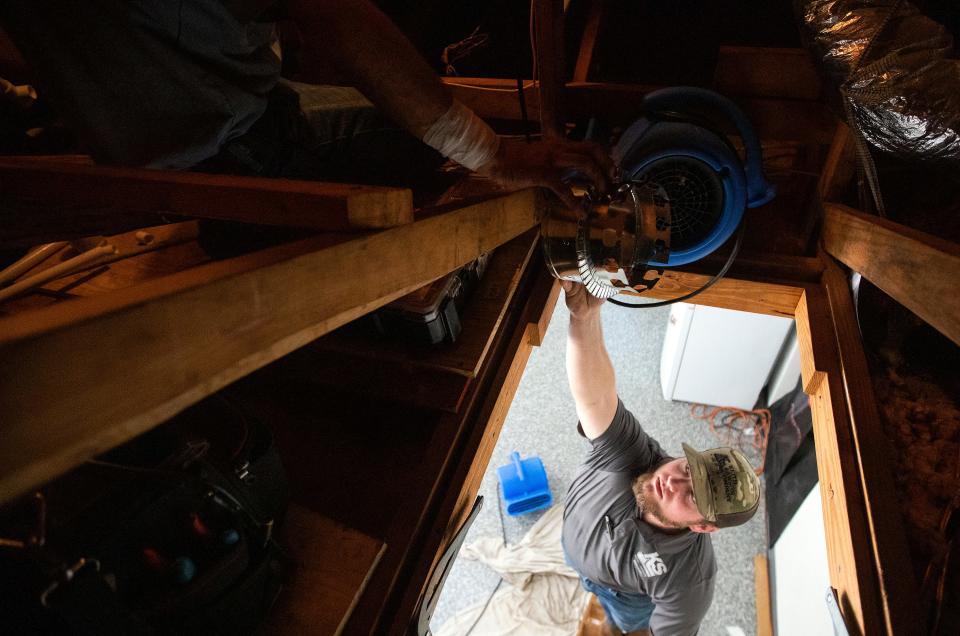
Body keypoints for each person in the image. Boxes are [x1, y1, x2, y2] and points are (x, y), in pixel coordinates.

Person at [0, 0, 611, 210]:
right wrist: (496, 156)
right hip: (233, 154)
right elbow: (339, 21)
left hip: (142, 153)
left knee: (404, 130)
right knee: (421, 160)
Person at [560, 280, 762, 636]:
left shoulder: (688, 579)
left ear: (703, 526)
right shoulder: (633, 455)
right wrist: (584, 319)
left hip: (626, 596)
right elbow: (597, 398)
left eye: (693, 494)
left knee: (624, 624)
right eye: (687, 468)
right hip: (572, 549)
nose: (672, 479)